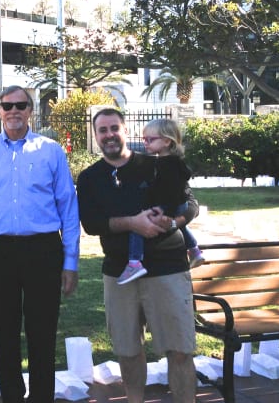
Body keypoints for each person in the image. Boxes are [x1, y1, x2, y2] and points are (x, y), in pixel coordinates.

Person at [0, 86, 80, 403]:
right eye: (7, 105)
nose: (14, 110)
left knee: (43, 331)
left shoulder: (51, 151)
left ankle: (41, 397)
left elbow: (68, 209)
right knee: (3, 330)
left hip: (42, 251)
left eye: (21, 105)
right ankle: (11, 395)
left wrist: (70, 263)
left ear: (31, 110)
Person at [77, 108, 198, 403]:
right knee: (128, 351)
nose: (109, 135)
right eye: (102, 130)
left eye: (114, 128)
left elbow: (190, 203)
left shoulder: (156, 164)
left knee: (180, 349)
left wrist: (172, 222)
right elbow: (91, 224)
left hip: (167, 268)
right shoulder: (90, 178)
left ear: (125, 130)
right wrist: (133, 223)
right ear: (96, 136)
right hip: (120, 271)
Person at [117, 118, 204, 285]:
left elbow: (172, 190)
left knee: (138, 223)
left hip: (171, 205)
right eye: (144, 139)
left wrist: (169, 214)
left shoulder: (166, 165)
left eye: (150, 139)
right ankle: (194, 250)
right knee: (182, 226)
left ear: (166, 141)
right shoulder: (172, 161)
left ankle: (135, 262)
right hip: (179, 204)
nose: (146, 143)